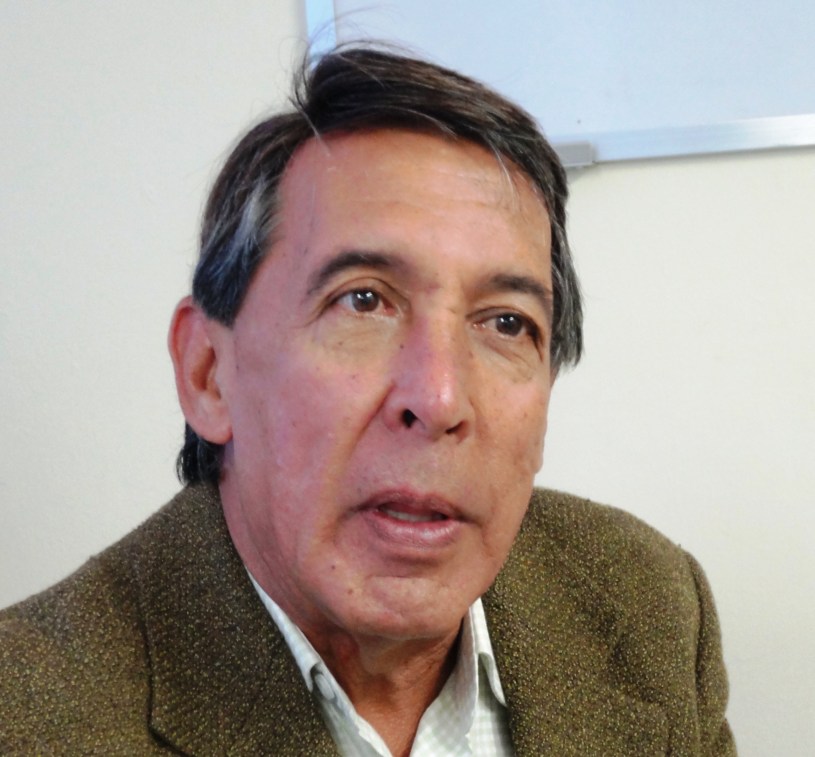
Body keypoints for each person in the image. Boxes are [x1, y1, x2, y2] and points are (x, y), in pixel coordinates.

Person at [0, 47, 735, 756]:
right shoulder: (26, 718)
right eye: (362, 301)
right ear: (208, 373)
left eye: (507, 323)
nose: (439, 398)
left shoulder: (644, 602)